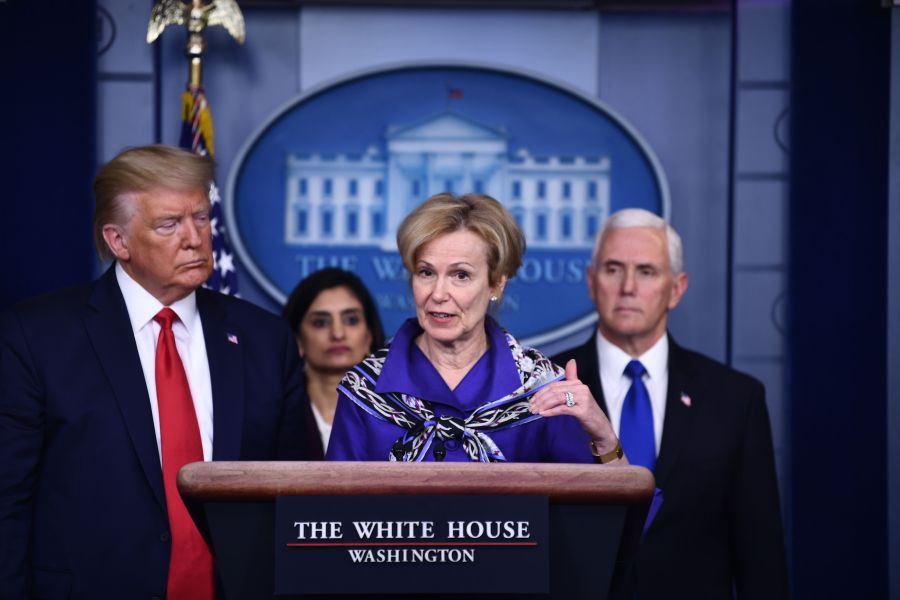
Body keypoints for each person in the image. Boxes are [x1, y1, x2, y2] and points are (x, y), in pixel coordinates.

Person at [0, 145, 309, 599]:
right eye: (169, 224)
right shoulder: (37, 337)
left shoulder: (265, 340)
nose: (194, 238)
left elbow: (294, 495)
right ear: (118, 241)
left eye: (201, 218)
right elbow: (9, 502)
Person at [552, 208, 788, 598]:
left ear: (676, 288)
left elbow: (760, 557)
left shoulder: (735, 399)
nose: (628, 286)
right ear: (592, 283)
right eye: (613, 269)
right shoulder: (547, 385)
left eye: (646, 271)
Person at [326, 192, 622, 464]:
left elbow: (613, 518)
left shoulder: (543, 390)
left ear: (496, 282)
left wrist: (604, 437)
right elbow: (328, 516)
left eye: (461, 275)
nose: (439, 293)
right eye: (426, 272)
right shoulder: (364, 388)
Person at [282, 268, 385, 459]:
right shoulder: (277, 412)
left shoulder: (397, 411)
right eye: (321, 323)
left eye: (351, 320)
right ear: (298, 341)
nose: (338, 333)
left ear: (369, 336)